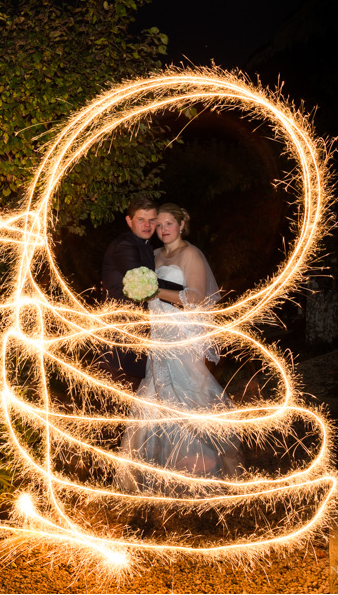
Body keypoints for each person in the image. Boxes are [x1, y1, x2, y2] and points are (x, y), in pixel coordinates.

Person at [117, 203, 242, 489]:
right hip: (158, 335)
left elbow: (197, 298)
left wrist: (154, 290)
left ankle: (217, 461)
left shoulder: (191, 254)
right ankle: (162, 472)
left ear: (182, 225)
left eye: (168, 224)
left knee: (191, 393)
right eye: (158, 225)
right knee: (157, 396)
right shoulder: (155, 255)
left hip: (181, 336)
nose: (162, 230)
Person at [100, 196, 158, 390]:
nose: (147, 225)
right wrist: (184, 287)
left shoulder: (144, 244)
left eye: (151, 220)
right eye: (141, 219)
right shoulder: (126, 246)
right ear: (129, 221)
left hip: (135, 333)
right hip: (122, 335)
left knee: (132, 395)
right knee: (118, 394)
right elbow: (144, 284)